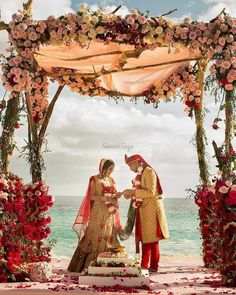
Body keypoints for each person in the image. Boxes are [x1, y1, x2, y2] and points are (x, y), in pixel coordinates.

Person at [68, 158, 122, 273]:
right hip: (97, 211)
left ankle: (106, 265)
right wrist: (104, 198)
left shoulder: (112, 180)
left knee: (107, 235)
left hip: (109, 213)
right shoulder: (94, 179)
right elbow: (91, 196)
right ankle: (89, 267)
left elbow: (114, 194)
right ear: (104, 168)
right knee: (94, 235)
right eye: (109, 169)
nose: (111, 171)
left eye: (112, 169)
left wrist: (116, 196)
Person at [122, 154, 169, 273]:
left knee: (152, 239)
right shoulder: (141, 174)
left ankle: (152, 266)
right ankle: (146, 265)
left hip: (151, 210)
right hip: (145, 209)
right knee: (146, 238)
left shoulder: (148, 172)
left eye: (130, 165)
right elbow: (142, 191)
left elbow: (150, 192)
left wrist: (133, 192)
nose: (130, 168)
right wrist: (130, 194)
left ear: (137, 162)